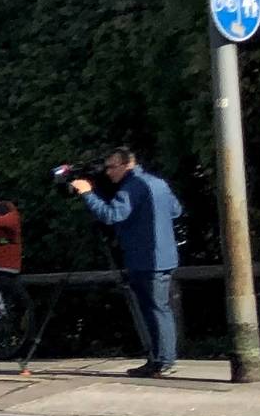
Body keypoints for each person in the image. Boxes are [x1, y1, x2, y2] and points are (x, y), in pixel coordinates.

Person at [70, 147, 183, 377]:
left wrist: (87, 194)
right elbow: (175, 210)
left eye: (112, 167)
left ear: (126, 165)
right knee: (160, 307)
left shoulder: (133, 186)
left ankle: (162, 362)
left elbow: (112, 215)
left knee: (154, 309)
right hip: (165, 255)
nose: (108, 172)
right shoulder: (157, 182)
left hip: (146, 258)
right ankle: (163, 359)